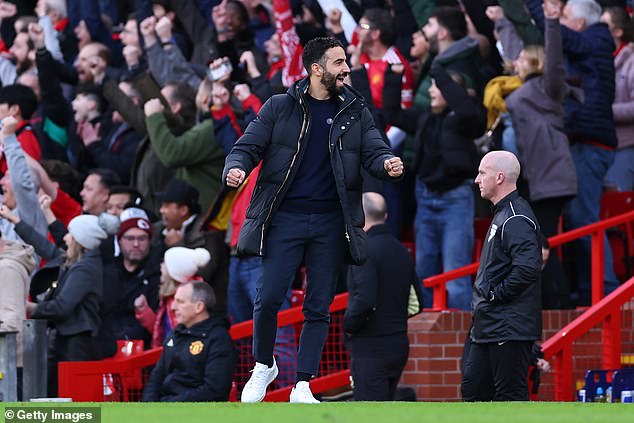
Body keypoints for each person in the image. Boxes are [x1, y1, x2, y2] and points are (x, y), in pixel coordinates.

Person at [223, 36, 403, 403]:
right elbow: (247, 146)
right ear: (316, 69)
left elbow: (373, 146)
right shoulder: (278, 107)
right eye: (338, 63)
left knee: (318, 305)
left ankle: (303, 383)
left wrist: (386, 162)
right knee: (268, 296)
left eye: (345, 62)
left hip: (330, 221)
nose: (346, 69)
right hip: (285, 218)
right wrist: (237, 167)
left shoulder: (355, 109)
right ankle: (264, 365)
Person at [503, 0, 577, 309]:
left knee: (539, 242)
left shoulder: (548, 89)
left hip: (551, 178)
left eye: (522, 58)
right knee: (532, 241)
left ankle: (557, 302)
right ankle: (549, 300)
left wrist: (552, 22)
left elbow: (556, 62)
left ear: (534, 61)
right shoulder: (515, 94)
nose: (516, 62)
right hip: (531, 180)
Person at [461, 151, 542, 401]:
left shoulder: (516, 217)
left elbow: (528, 267)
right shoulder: (503, 214)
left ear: (499, 177)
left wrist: (495, 295)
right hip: (490, 324)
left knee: (510, 396)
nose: (477, 179)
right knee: (473, 392)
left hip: (507, 326)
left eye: (482, 173)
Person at [344, 192, 420, 401]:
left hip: (370, 347)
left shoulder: (363, 251)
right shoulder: (402, 251)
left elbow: (364, 300)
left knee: (369, 413)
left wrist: (348, 325)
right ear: (385, 215)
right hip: (398, 345)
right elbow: (417, 302)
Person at [142, 281, 236, 402]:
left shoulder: (218, 339)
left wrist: (169, 406)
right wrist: (149, 407)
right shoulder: (174, 335)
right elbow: (157, 377)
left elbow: (214, 389)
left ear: (199, 307)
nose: (173, 307)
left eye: (180, 302)